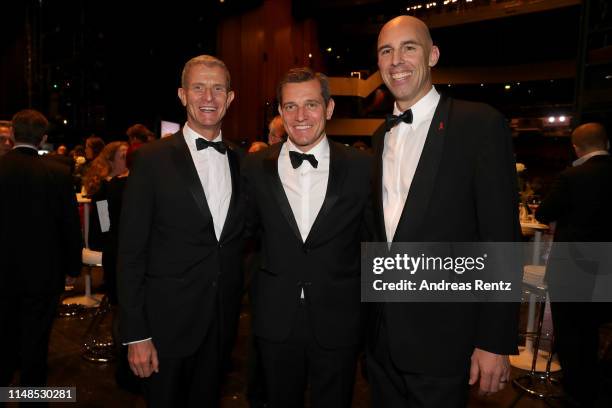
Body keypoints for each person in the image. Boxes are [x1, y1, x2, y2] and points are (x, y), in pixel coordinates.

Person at [367, 16, 521, 407]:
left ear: (433, 55)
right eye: (386, 51)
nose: (396, 60)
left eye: (409, 47)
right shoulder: (379, 136)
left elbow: (501, 237)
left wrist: (493, 341)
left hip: (443, 341)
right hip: (380, 340)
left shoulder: (479, 123)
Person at [117, 54, 244, 407]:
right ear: (182, 95)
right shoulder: (151, 160)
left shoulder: (241, 160)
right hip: (163, 330)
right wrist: (136, 334)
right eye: (198, 87)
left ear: (230, 98)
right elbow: (130, 253)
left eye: (218, 88)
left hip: (220, 326)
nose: (209, 97)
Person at [242, 67, 372, 408]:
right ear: (281, 112)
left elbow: (373, 240)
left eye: (311, 104)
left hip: (339, 317)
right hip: (275, 317)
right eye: (290, 106)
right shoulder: (254, 168)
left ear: (328, 108)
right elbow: (243, 236)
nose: (301, 116)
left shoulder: (362, 167)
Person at [0, 109, 82, 388]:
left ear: (11, 134)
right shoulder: (58, 174)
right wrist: (73, 267)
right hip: (43, 274)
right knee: (36, 345)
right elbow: (70, 225)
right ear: (43, 138)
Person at [536, 122, 612, 407]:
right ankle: (593, 386)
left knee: (571, 332)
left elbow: (545, 212)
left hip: (575, 267)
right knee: (592, 327)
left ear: (575, 147)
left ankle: (576, 393)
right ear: (607, 143)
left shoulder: (573, 176)